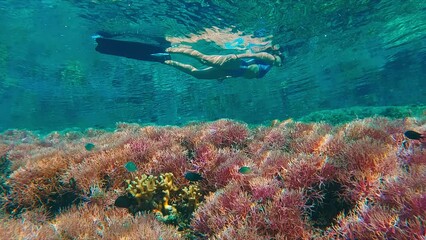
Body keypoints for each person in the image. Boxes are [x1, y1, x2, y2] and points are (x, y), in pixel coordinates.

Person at [94, 36, 282, 80]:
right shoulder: (268, 58)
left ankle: (167, 59)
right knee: (202, 58)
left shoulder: (268, 68)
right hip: (235, 61)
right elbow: (250, 56)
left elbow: (246, 72)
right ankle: (172, 48)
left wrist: (225, 77)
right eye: (280, 58)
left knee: (197, 74)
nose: (280, 62)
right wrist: (240, 55)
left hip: (232, 71)